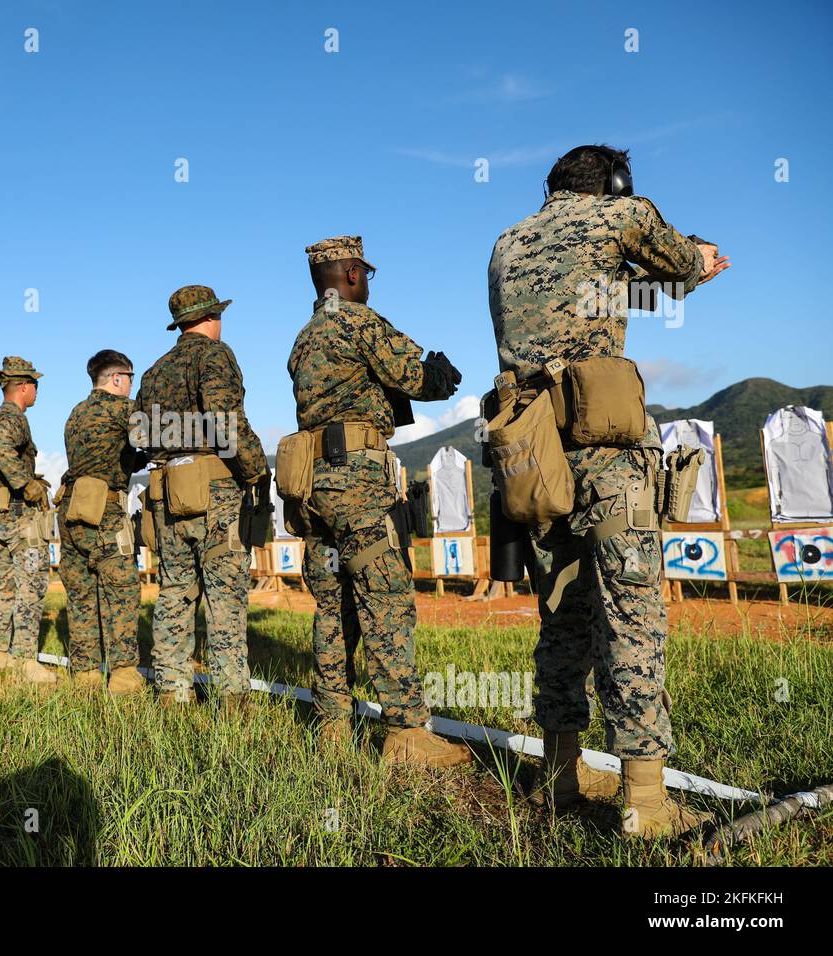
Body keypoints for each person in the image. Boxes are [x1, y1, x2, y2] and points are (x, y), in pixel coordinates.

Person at [488, 145, 728, 837]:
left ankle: (560, 778)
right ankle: (646, 803)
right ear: (615, 184)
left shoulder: (506, 243)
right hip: (605, 448)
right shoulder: (621, 215)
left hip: (533, 454)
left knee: (562, 611)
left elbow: (602, 293)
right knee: (632, 614)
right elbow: (679, 265)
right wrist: (699, 260)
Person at [288, 236, 469, 767]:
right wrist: (440, 376)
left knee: (333, 604)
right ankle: (406, 733)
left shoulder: (303, 338)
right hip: (359, 480)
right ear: (351, 274)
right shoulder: (358, 321)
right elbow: (414, 376)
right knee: (385, 598)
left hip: (312, 483)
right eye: (365, 273)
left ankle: (332, 726)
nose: (367, 281)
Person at [136, 286, 267, 709]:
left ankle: (172, 693)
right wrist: (256, 468)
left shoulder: (153, 372)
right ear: (212, 317)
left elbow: (139, 435)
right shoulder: (214, 355)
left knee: (175, 590)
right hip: (214, 488)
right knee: (224, 593)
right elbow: (226, 421)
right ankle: (232, 698)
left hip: (167, 490)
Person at [56, 350, 146, 694]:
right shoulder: (124, 409)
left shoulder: (76, 413)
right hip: (105, 508)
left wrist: (132, 460)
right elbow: (159, 436)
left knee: (81, 594)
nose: (131, 385)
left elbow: (101, 455)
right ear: (117, 378)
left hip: (71, 507)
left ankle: (85, 675)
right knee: (121, 591)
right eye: (130, 378)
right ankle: (123, 676)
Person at [0, 357, 56, 684]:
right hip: (20, 516)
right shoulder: (13, 418)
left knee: (3, 584)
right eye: (35, 384)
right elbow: (0, 449)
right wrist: (26, 484)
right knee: (30, 585)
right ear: (23, 387)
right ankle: (24, 660)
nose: (37, 390)